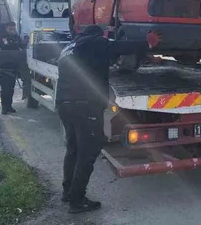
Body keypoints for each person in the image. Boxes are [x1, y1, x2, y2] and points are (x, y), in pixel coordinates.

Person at [56, 25, 161, 214]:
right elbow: (121, 47)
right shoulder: (97, 42)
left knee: (73, 148)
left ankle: (67, 192)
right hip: (85, 105)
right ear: (101, 35)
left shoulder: (70, 47)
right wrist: (147, 42)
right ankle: (77, 201)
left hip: (64, 104)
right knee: (88, 152)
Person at [0, 22, 24, 115]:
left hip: (13, 67)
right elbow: (6, 45)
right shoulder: (3, 37)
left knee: (11, 88)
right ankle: (4, 107)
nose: (12, 31)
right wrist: (15, 43)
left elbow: (21, 46)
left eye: (13, 28)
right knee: (5, 89)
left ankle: (9, 106)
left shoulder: (16, 37)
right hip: (4, 67)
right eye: (10, 29)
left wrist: (25, 41)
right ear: (6, 29)